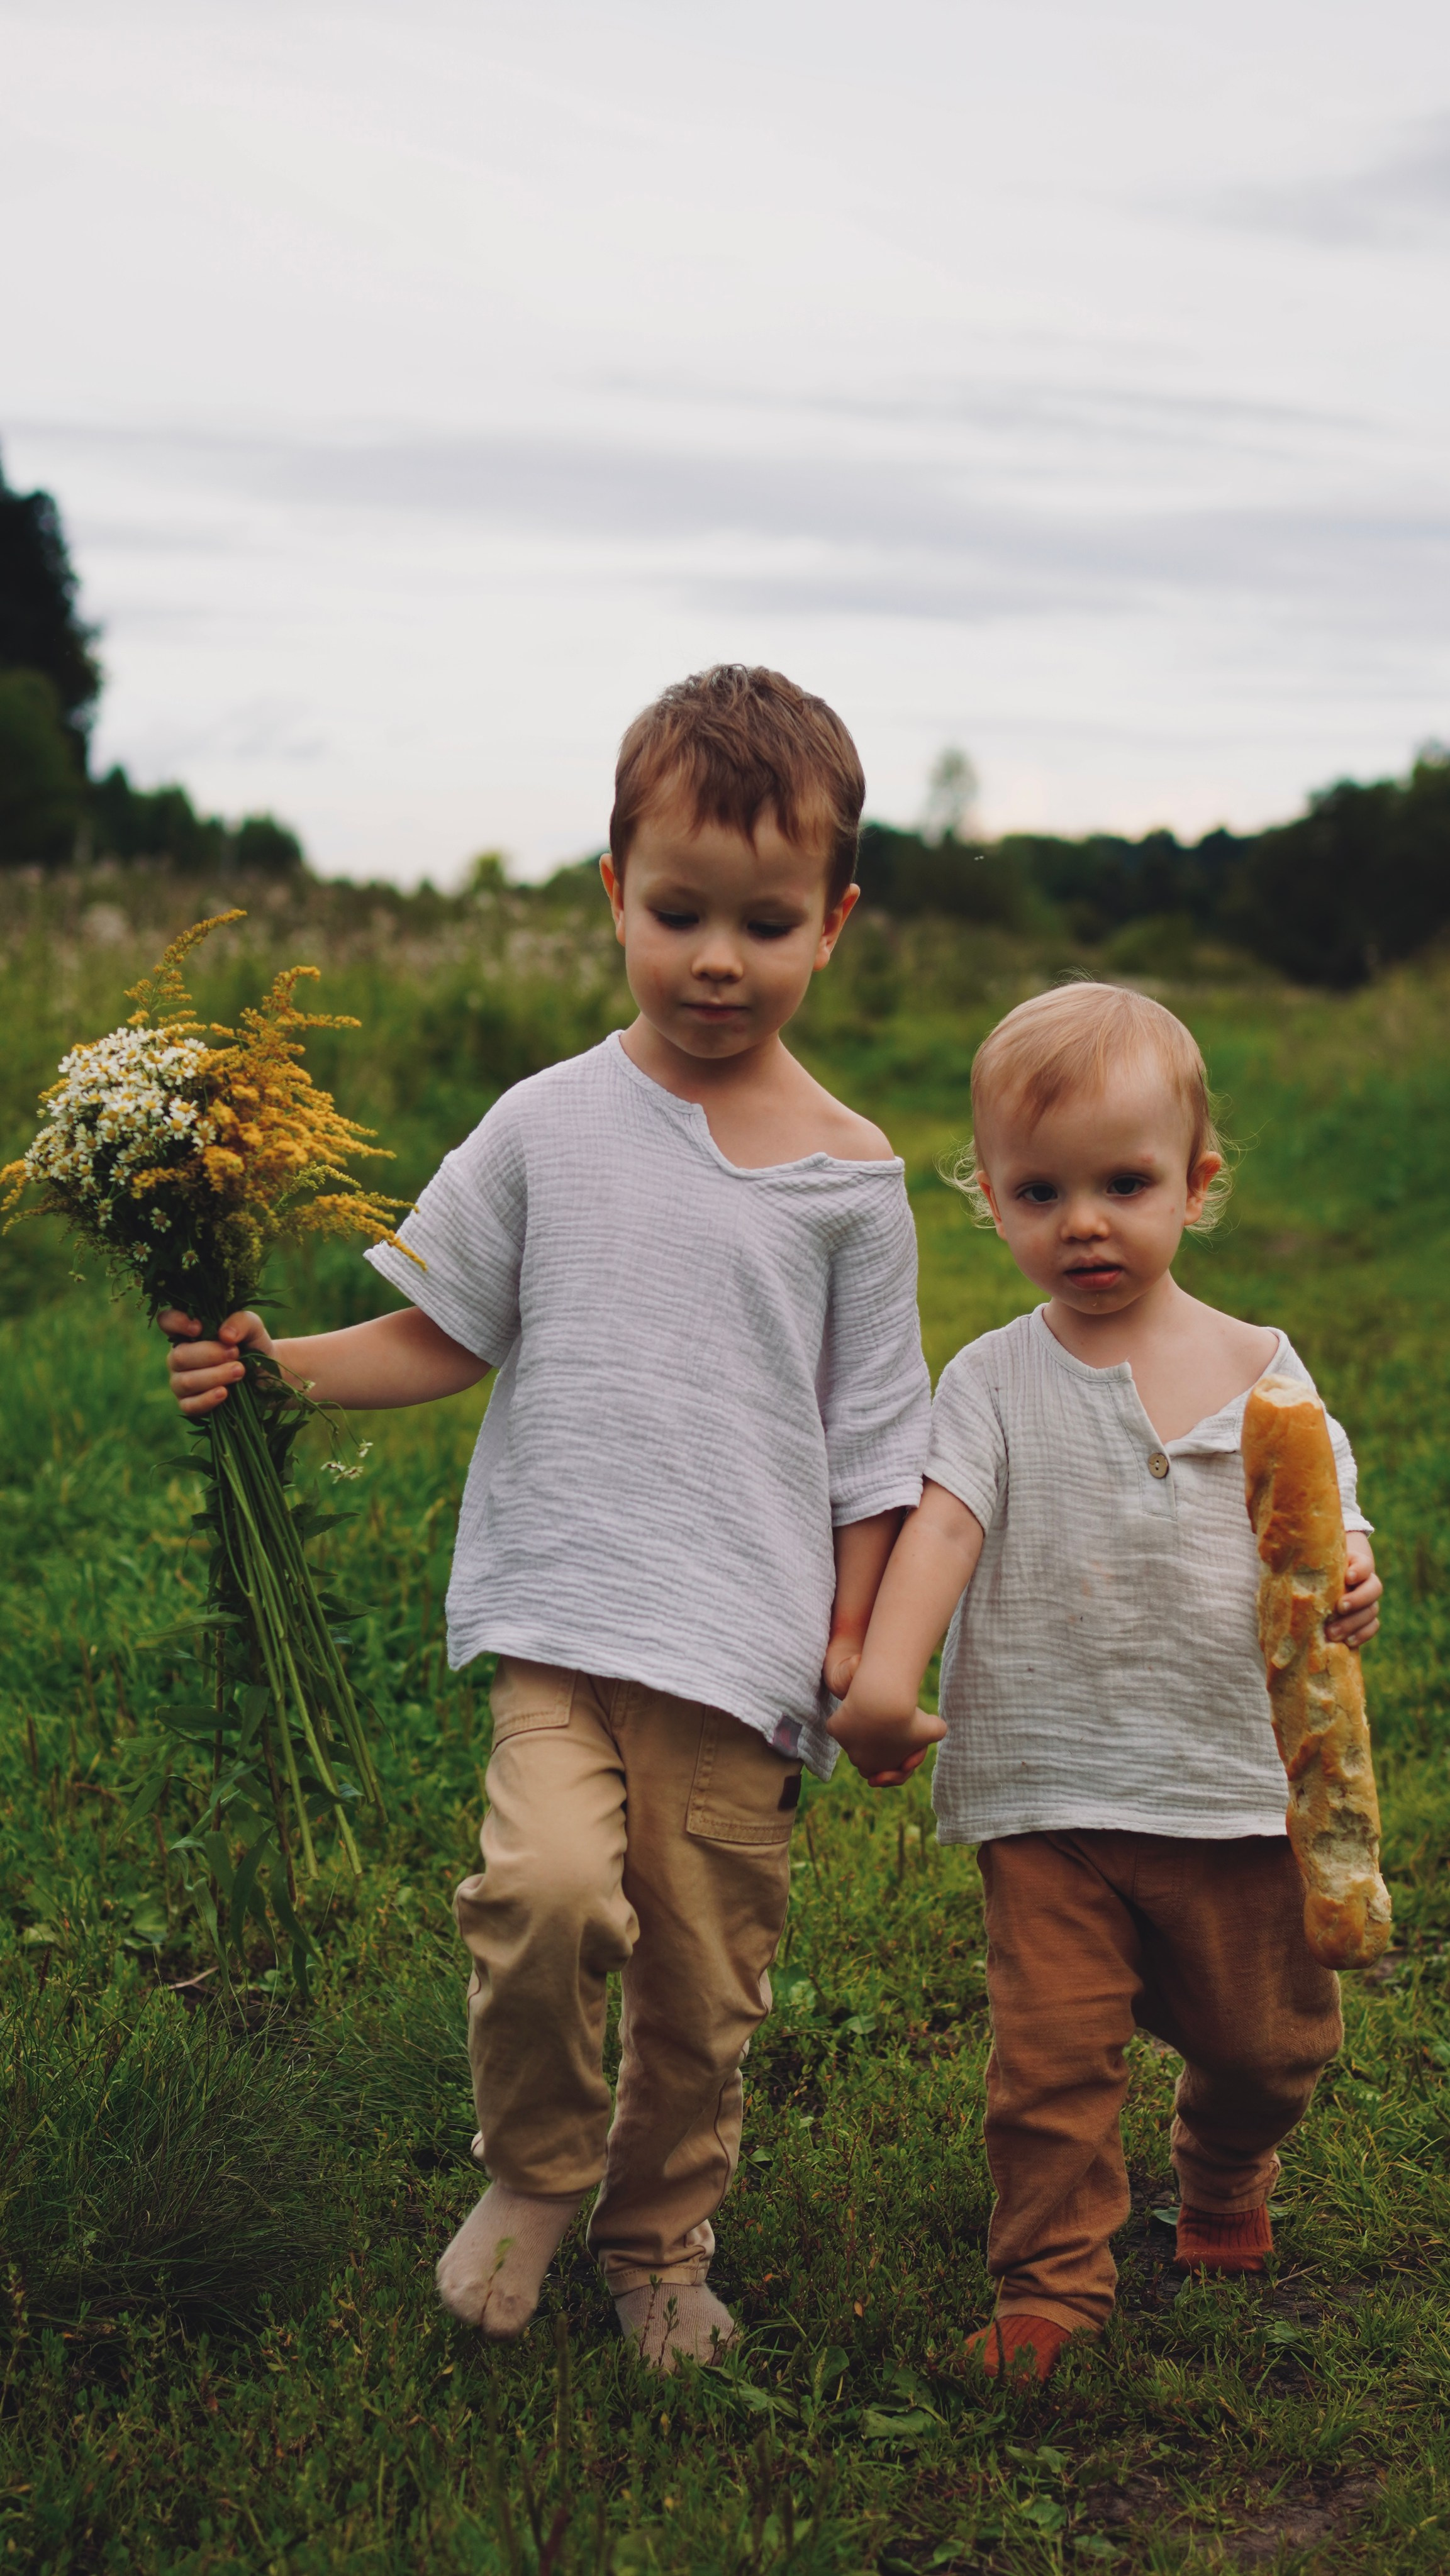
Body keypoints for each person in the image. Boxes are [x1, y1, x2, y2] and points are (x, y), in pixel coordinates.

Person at [162, 665, 937, 2371]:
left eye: (764, 922)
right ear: (612, 892)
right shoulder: (545, 1123)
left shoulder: (852, 1177)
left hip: (744, 1656)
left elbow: (880, 1445)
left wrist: (860, 1638)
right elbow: (447, 1328)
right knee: (547, 1896)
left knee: (701, 1993)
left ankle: (657, 2244)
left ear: (835, 924)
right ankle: (533, 2169)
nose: (716, 959)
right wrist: (275, 1363)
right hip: (563, 1616)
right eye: (676, 914)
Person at [829, 981, 1383, 2382]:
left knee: (1270, 2047)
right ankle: (1052, 2288)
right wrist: (887, 1679)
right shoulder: (995, 1379)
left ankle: (1220, 2165)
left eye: (1123, 1182)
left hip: (1231, 1786)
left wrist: (1355, 1567)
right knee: (1050, 2069)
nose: (1082, 1221)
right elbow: (942, 1524)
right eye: (1039, 1190)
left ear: (1195, 1187)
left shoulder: (1263, 1369)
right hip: (1050, 1790)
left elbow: (1322, 1517)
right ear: (991, 1201)